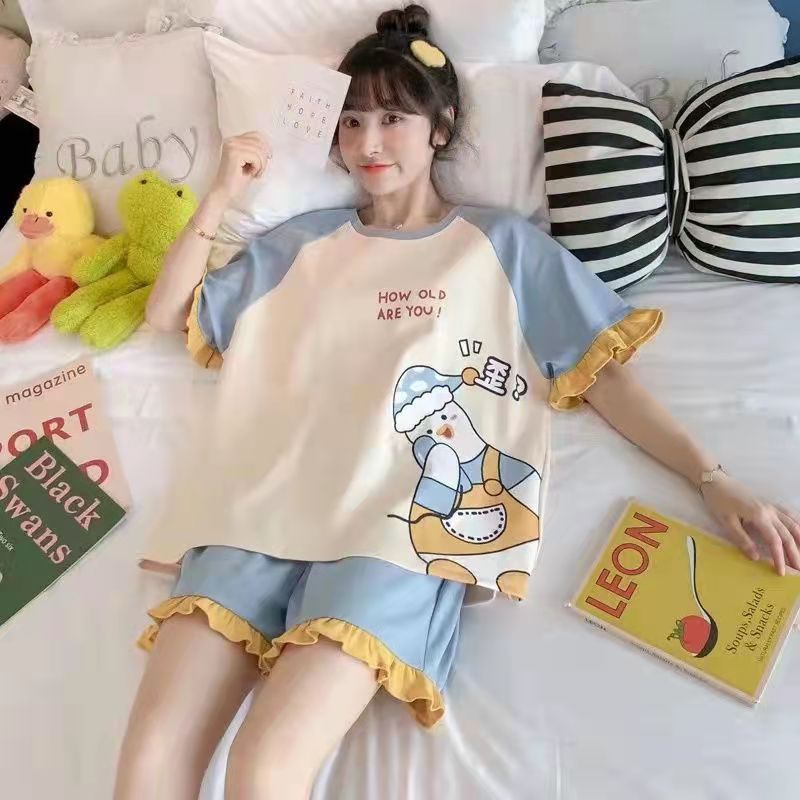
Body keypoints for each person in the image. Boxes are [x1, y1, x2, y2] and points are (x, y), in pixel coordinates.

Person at [114, 6, 800, 799]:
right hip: (256, 506)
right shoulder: (298, 243)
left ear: (440, 129)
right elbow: (168, 315)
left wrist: (713, 478)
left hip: (400, 532)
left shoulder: (504, 246)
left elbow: (606, 379)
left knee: (263, 772)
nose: (367, 142)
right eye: (351, 121)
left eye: (392, 119)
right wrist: (221, 193)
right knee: (148, 766)